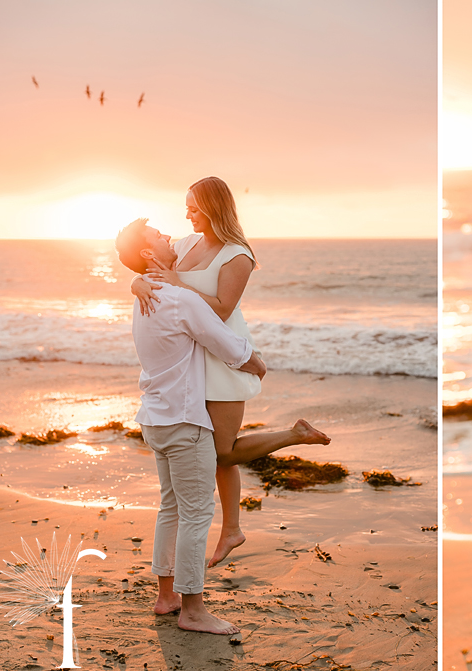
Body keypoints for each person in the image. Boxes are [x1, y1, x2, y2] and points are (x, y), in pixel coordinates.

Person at [132, 176, 329, 568]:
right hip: (192, 360)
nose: (187, 214)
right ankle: (232, 529)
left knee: (222, 451)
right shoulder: (186, 244)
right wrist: (137, 282)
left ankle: (294, 434)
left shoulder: (238, 255)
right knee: (214, 453)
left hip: (224, 356)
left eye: (193, 207)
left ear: (213, 207)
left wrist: (176, 285)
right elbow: (149, 264)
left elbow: (220, 309)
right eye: (185, 206)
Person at [115, 217, 267, 634]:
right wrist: (256, 363)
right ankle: (193, 610)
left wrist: (137, 281)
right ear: (149, 254)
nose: (169, 236)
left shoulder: (143, 296)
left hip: (155, 419)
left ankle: (167, 597)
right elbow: (223, 341)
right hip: (185, 423)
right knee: (197, 515)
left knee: (172, 509)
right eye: (159, 237)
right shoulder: (179, 299)